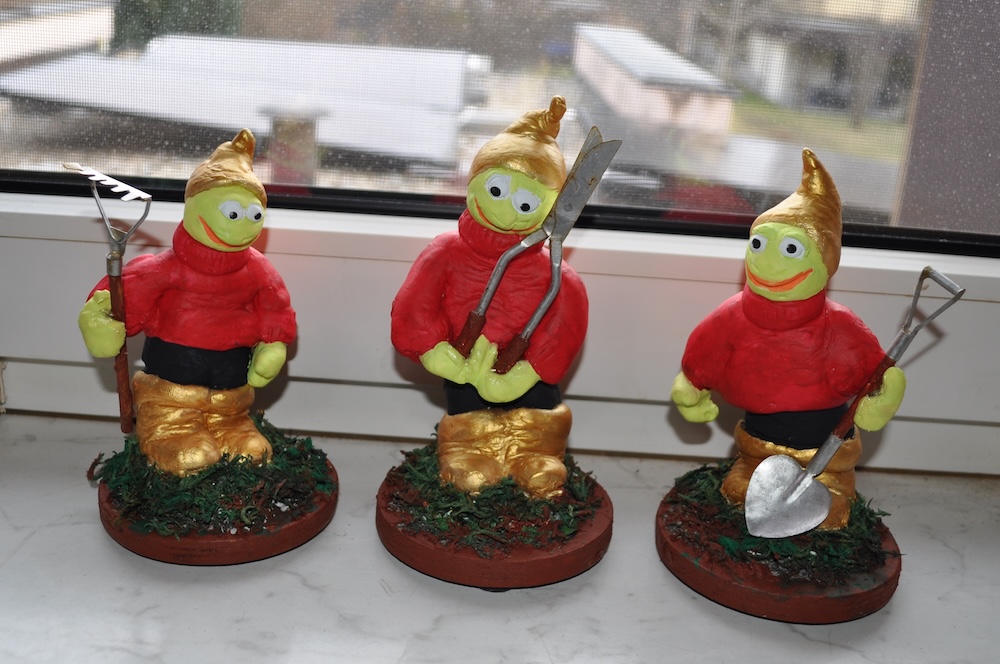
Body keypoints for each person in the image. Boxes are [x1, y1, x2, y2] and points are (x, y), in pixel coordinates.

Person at [670, 149, 906, 529]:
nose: (767, 263)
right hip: (757, 445)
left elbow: (882, 374)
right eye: (758, 244)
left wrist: (884, 396)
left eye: (791, 249)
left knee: (830, 512)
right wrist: (690, 389)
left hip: (826, 449)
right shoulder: (732, 318)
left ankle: (833, 486)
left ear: (826, 259)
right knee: (739, 490)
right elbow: (701, 359)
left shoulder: (840, 325)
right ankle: (751, 469)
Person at [391, 96, 587, 499]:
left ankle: (536, 453)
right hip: (463, 361)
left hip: (527, 375)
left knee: (538, 405)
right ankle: (467, 452)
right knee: (465, 403)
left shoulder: (557, 275)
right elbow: (415, 305)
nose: (508, 212)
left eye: (526, 202)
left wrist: (525, 372)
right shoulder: (444, 252)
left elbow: (563, 327)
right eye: (497, 189)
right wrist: (435, 351)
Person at [78, 129, 296, 477]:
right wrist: (101, 322)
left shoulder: (258, 271)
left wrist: (274, 345)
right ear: (193, 205)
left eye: (254, 214)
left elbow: (276, 307)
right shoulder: (164, 269)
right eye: (232, 212)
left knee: (250, 450)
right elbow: (121, 299)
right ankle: (169, 429)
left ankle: (230, 426)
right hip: (169, 393)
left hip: (232, 394)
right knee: (191, 453)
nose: (243, 225)